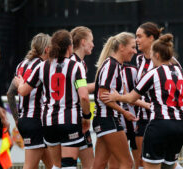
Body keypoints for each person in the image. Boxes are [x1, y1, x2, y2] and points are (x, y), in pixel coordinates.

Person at [101, 33, 183, 169]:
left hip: (159, 125)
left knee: (149, 166)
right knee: (168, 166)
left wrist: (117, 97)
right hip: (180, 127)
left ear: (156, 55)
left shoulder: (154, 73)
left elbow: (132, 98)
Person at [16, 29, 91, 169]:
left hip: (48, 123)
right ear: (70, 47)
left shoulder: (42, 66)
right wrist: (87, 116)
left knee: (56, 165)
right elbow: (84, 97)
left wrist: (20, 82)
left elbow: (23, 91)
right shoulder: (76, 66)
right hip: (69, 120)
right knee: (68, 164)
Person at [135, 21, 183, 169]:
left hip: (160, 119)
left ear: (151, 38)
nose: (136, 40)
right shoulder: (139, 59)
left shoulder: (171, 62)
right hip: (143, 118)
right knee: (142, 162)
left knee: (166, 164)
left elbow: (179, 87)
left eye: (139, 36)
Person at [92, 32, 140, 169]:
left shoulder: (115, 65)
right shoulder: (112, 65)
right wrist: (124, 112)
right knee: (127, 163)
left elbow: (117, 95)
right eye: (132, 47)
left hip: (104, 119)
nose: (135, 51)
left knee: (99, 164)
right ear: (121, 47)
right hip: (108, 119)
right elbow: (103, 95)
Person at [6, 33, 53, 169]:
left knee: (54, 165)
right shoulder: (43, 66)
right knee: (30, 166)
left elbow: (10, 93)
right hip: (36, 120)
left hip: (26, 120)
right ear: (47, 49)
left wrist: (16, 119)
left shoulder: (22, 64)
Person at [70, 26, 95, 169]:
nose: (93, 44)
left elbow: (79, 88)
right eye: (91, 41)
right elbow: (82, 93)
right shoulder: (75, 63)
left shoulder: (77, 62)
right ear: (83, 42)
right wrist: (101, 85)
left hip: (62, 119)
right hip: (75, 119)